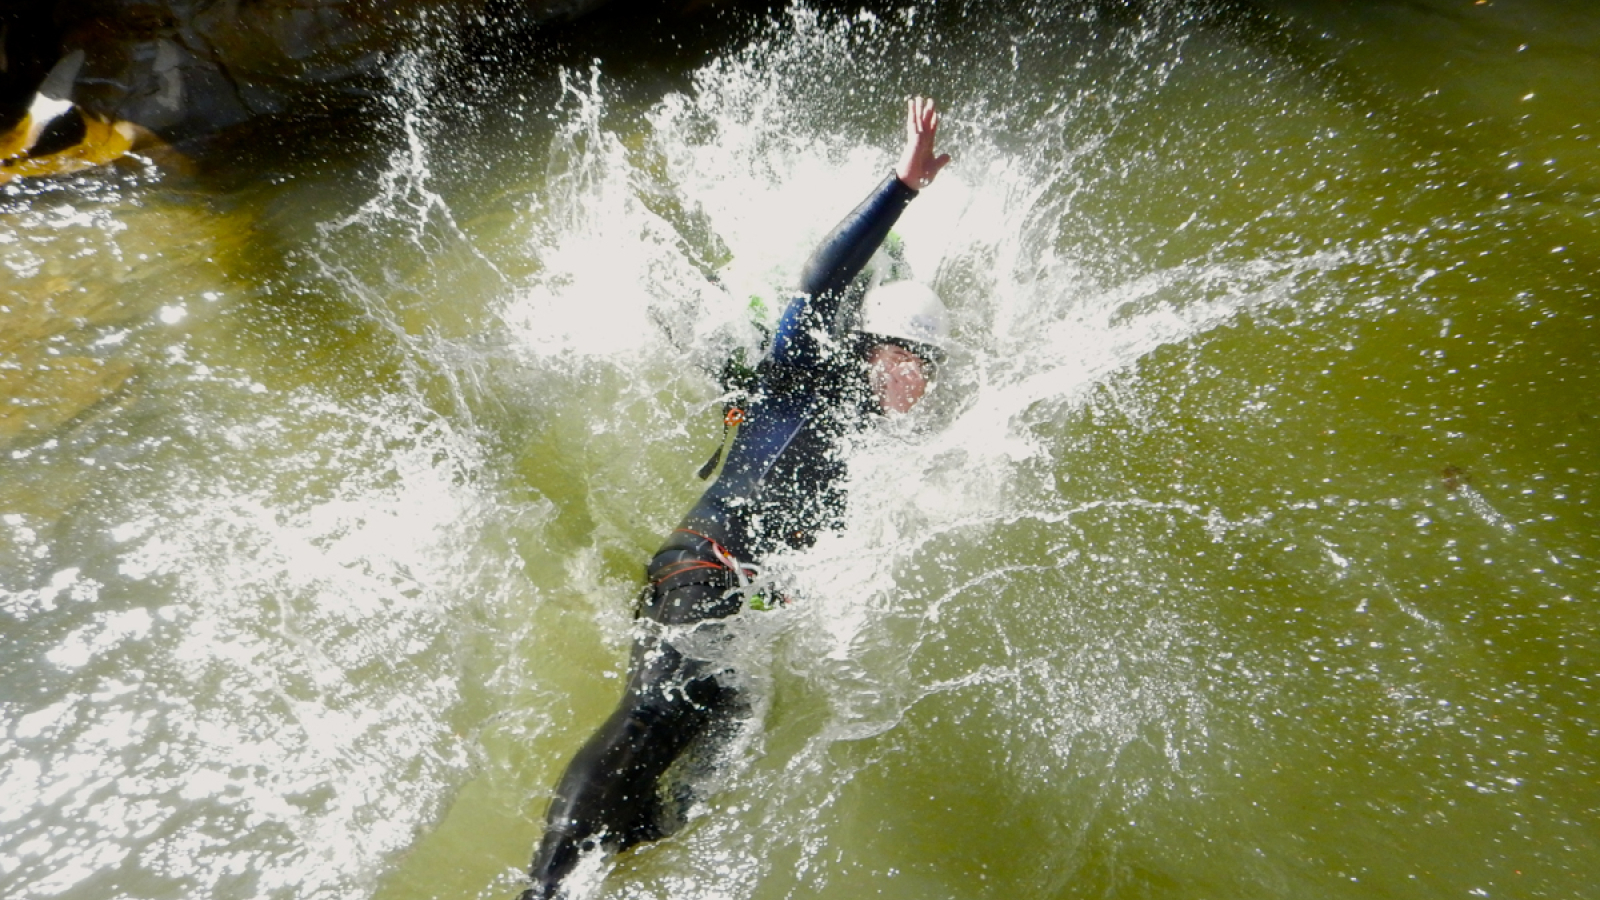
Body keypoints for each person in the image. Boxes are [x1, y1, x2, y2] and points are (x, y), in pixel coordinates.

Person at [522, 97, 952, 900]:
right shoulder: (805, 372)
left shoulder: (862, 450)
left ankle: (605, 867)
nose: (925, 384)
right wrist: (903, 185)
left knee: (684, 789)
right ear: (881, 347)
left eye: (932, 369)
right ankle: (543, 890)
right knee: (652, 719)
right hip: (700, 573)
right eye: (919, 362)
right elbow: (822, 279)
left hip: (736, 609)